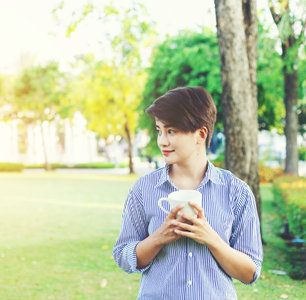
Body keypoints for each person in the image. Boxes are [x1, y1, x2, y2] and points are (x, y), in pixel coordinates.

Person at [112, 87, 263, 299]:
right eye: (159, 130)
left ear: (200, 134)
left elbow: (250, 272)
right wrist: (158, 238)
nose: (162, 141)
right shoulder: (143, 189)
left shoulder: (236, 192)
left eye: (171, 131)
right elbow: (123, 256)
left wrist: (211, 239)